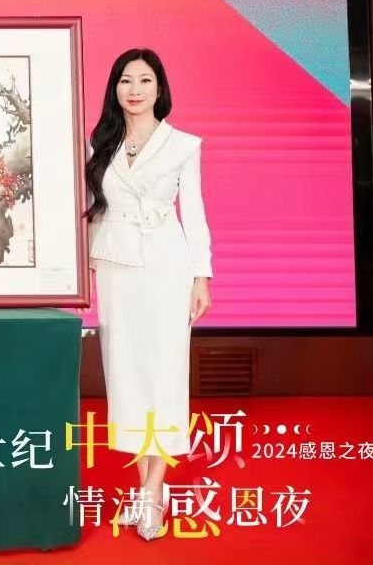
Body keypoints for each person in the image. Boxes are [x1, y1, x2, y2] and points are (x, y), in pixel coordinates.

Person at [83, 48, 212, 541]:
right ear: (114, 88)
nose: (134, 89)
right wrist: (82, 267)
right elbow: (93, 210)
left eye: (144, 80)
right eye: (125, 80)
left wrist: (201, 276)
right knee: (127, 376)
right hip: (116, 271)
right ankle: (144, 486)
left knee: (165, 374)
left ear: (160, 88)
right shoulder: (101, 143)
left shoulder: (183, 145)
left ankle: (152, 492)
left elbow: (194, 214)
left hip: (166, 268)